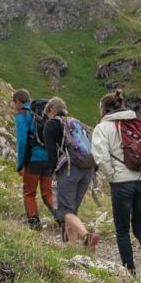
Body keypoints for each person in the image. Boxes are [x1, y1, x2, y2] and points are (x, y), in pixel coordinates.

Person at [91, 90, 141, 283]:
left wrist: (111, 174)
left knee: (122, 229)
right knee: (140, 226)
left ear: (105, 109)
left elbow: (100, 155)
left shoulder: (103, 127)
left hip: (122, 182)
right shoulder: (137, 123)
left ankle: (129, 272)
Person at [41, 97, 100, 252]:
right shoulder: (76, 123)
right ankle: (71, 248)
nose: (47, 117)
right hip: (88, 170)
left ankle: (87, 236)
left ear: (52, 110)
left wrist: (51, 171)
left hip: (69, 170)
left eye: (47, 114)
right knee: (72, 210)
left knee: (64, 210)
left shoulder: (51, 124)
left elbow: (51, 155)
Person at [12, 89, 56, 230]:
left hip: (33, 160)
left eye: (14, 103)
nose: (14, 106)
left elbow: (22, 141)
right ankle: (63, 219)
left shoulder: (22, 114)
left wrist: (19, 165)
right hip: (49, 158)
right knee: (47, 193)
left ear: (18, 101)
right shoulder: (41, 112)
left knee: (29, 193)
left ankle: (35, 224)